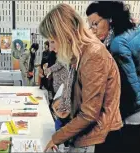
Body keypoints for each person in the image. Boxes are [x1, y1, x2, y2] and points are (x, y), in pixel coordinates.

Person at [39, 3, 123, 153]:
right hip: (89, 137)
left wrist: (57, 137)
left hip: (99, 140)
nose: (51, 48)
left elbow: (90, 113)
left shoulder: (93, 54)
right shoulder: (79, 55)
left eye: (52, 40)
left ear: (64, 35)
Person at [86, 1, 140, 153]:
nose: (93, 30)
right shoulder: (134, 31)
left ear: (109, 19)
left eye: (95, 24)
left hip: (133, 116)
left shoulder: (117, 44)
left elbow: (127, 89)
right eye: (90, 26)